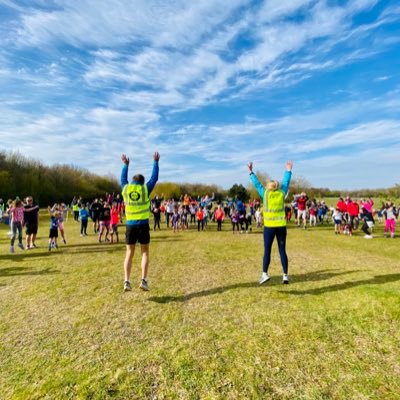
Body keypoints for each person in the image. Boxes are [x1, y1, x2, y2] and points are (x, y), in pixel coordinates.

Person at [248, 160, 293, 284]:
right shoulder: (281, 193)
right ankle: (285, 276)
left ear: (268, 187)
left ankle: (264, 274)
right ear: (277, 187)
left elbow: (257, 185)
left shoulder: (265, 194)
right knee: (282, 250)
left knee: (267, 250)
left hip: (269, 227)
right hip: (281, 227)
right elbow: (286, 182)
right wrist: (288, 170)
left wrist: (251, 172)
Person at [121, 151, 160, 292]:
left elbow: (122, 179)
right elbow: (154, 178)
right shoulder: (145, 189)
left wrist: (125, 165)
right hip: (143, 225)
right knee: (144, 252)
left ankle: (126, 281)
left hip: (130, 225)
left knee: (129, 253)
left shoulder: (126, 188)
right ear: (142, 182)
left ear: (133, 181)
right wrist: (155, 162)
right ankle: (143, 280)